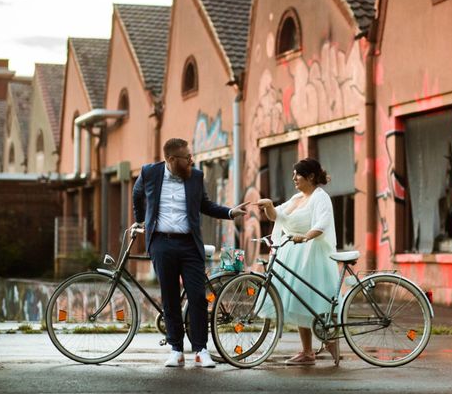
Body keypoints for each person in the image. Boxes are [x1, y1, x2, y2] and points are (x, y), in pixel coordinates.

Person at [132, 138, 248, 368]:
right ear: (172, 159)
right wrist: (140, 221)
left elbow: (205, 205)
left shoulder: (195, 176)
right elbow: (137, 195)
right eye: (187, 158)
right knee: (170, 297)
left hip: (189, 245)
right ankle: (176, 349)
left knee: (197, 296)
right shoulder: (149, 172)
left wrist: (230, 212)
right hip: (162, 244)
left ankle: (200, 350)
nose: (191, 160)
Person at [255, 158, 340, 366]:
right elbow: (278, 216)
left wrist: (306, 236)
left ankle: (333, 347)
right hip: (292, 252)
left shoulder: (320, 198)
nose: (293, 178)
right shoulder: (296, 198)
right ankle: (307, 352)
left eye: (297, 175)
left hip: (312, 254)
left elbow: (323, 223)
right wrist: (268, 206)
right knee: (299, 299)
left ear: (310, 176)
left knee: (315, 301)